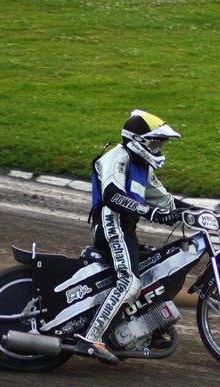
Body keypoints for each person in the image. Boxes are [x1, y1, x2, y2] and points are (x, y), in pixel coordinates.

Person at [78, 109, 191, 364]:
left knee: (160, 268)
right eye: (155, 143)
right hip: (111, 224)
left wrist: (203, 212)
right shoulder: (117, 157)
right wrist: (150, 212)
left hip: (126, 227)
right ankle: (91, 338)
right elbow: (112, 196)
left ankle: (147, 327)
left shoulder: (144, 168)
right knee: (129, 282)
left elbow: (168, 202)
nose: (158, 148)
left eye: (160, 144)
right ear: (138, 141)